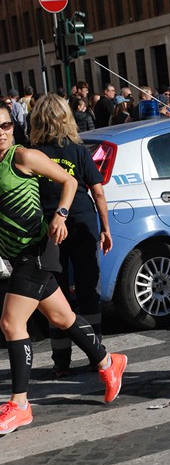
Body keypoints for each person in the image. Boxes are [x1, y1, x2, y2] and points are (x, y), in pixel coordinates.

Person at [0, 101, 126, 434]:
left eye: (6, 126)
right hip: (16, 256)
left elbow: (70, 182)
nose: (1, 134)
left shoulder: (24, 156)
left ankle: (20, 405)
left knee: (12, 323)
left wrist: (61, 214)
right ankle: (107, 361)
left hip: (38, 251)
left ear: (15, 127)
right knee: (61, 317)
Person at [30, 93, 113, 377]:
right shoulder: (78, 150)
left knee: (57, 292)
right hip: (82, 221)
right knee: (89, 288)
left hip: (50, 226)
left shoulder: (33, 153)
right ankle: (96, 353)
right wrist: (105, 228)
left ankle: (60, 361)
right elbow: (98, 191)